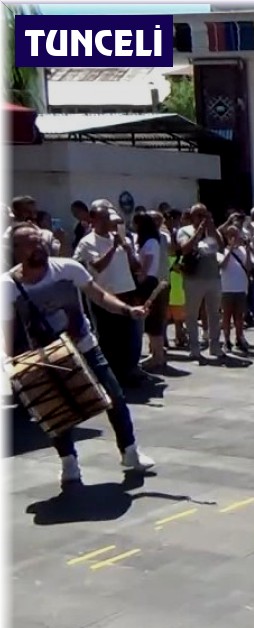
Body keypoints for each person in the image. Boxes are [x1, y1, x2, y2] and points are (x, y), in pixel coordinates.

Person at [3, 224, 155, 485]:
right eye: (29, 242)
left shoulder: (68, 268)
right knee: (56, 411)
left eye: (39, 240)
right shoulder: (8, 285)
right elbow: (7, 328)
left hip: (84, 346)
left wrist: (128, 310)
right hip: (45, 357)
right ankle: (69, 463)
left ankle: (130, 451)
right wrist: (10, 361)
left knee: (115, 397)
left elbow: (99, 295)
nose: (38, 245)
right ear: (15, 250)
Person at [73, 201, 141, 384]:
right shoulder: (87, 242)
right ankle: (112, 376)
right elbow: (97, 267)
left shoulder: (122, 238)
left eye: (108, 218)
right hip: (104, 295)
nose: (107, 222)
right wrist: (113, 248)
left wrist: (128, 251)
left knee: (129, 335)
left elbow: (137, 267)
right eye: (102, 218)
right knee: (108, 337)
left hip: (127, 291)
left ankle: (129, 370)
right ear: (93, 220)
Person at [175, 204, 224, 360]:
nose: (202, 218)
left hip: (213, 277)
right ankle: (194, 348)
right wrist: (199, 232)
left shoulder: (212, 231)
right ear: (192, 217)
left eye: (204, 214)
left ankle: (215, 346)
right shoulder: (184, 231)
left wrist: (211, 228)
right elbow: (185, 248)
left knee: (214, 314)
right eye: (199, 215)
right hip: (193, 279)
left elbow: (221, 247)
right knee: (191, 314)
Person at [132, 212, 168, 370]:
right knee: (150, 321)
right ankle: (155, 354)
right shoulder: (147, 241)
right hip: (148, 281)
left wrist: (140, 278)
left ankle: (158, 356)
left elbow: (147, 264)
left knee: (153, 320)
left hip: (149, 282)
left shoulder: (151, 242)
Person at [217, 224, 253, 353]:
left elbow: (249, 267)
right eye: (230, 235)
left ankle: (239, 338)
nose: (233, 237)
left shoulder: (243, 251)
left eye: (235, 235)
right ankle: (226, 340)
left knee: (239, 317)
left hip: (241, 289)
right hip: (227, 289)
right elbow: (223, 265)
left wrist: (248, 251)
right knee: (226, 316)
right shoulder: (222, 251)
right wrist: (231, 248)